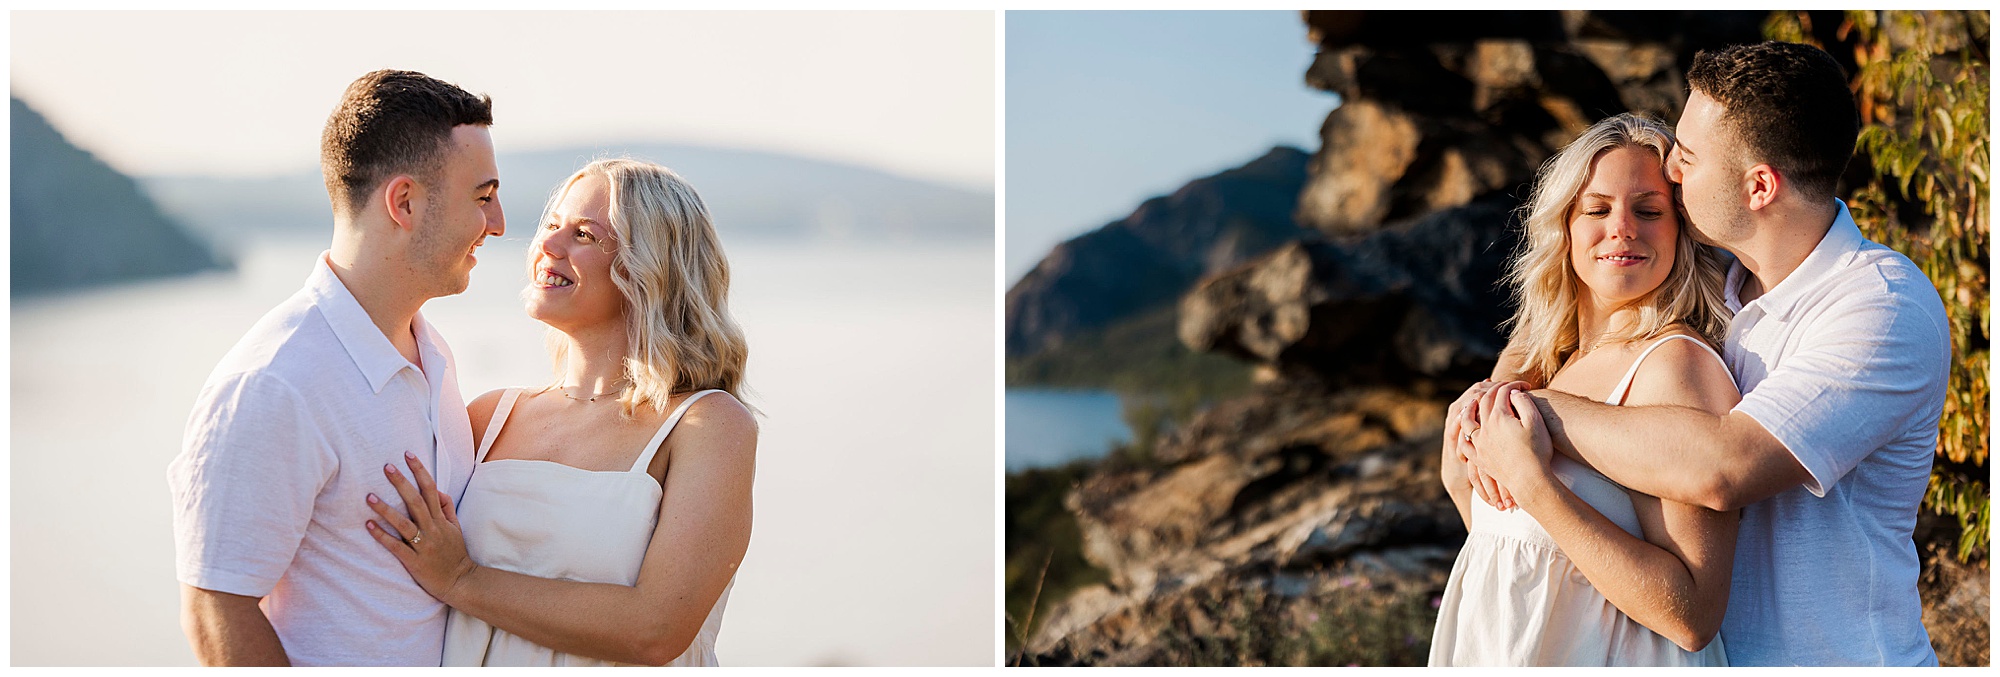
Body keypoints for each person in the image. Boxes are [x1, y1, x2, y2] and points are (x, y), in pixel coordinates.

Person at [1468, 42, 1949, 666]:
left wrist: (1532, 412)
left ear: (1758, 187)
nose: (1669, 170)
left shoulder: (1879, 307)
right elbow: (1574, 309)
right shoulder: (1724, 279)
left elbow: (1725, 468)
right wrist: (1497, 384)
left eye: (1687, 159)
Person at [167, 70, 504, 666]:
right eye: (482, 197)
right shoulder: (275, 383)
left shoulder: (434, 353)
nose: (497, 223)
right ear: (404, 202)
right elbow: (217, 606)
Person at [363, 159, 758, 666]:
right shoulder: (488, 419)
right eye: (551, 226)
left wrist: (463, 579)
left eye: (585, 235)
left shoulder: (706, 426)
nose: (549, 246)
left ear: (653, 265)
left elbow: (656, 629)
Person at [1428, 113, 1742, 666]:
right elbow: (1518, 564)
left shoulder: (1673, 368)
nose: (1622, 228)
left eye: (1649, 211)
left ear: (1683, 232)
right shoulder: (1550, 366)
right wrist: (1463, 478)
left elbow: (1691, 616)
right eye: (1597, 209)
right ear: (1564, 228)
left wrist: (1535, 485)